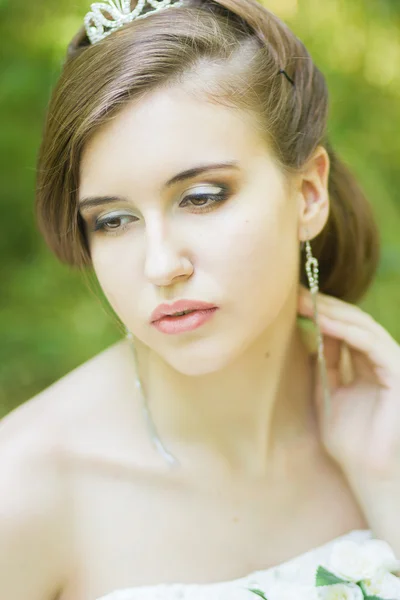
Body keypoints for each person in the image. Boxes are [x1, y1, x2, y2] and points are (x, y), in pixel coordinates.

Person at [2, 0, 400, 599]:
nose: (161, 266)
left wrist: (385, 481)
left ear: (309, 194)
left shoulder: (384, 436)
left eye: (203, 196)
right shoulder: (25, 490)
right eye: (112, 220)